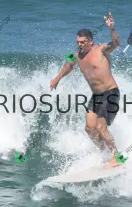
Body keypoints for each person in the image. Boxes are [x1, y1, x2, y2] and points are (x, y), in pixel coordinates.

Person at [50, 12, 122, 168]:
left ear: (91, 41)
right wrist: (57, 78)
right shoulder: (77, 56)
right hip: (96, 96)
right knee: (89, 128)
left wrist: (112, 28)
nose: (80, 45)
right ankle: (104, 153)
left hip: (110, 92)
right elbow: (69, 66)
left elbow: (116, 43)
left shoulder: (101, 50)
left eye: (83, 42)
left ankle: (117, 157)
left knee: (101, 127)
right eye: (78, 42)